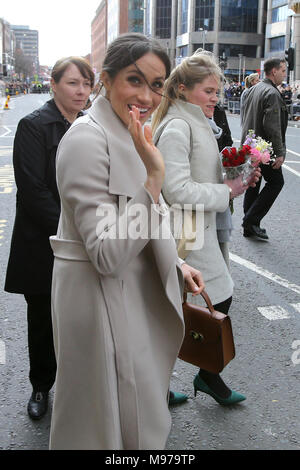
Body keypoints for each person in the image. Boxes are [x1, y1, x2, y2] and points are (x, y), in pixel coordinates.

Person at [48, 33, 204, 450]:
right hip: (100, 302)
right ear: (107, 79)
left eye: (156, 85)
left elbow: (143, 222)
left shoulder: (130, 129)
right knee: (103, 427)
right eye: (134, 80)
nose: (147, 95)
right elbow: (106, 253)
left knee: (135, 416)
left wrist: (176, 263)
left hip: (130, 295)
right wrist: (154, 179)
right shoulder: (86, 139)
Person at [152, 50, 261, 406]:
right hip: (187, 234)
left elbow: (199, 174)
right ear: (182, 89)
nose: (216, 98)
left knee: (189, 306)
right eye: (208, 91)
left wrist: (238, 177)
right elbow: (175, 189)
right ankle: (193, 378)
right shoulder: (179, 126)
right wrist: (226, 190)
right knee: (208, 299)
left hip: (201, 228)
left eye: (217, 91)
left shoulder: (195, 120)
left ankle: (197, 377)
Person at [4, 57, 94, 420]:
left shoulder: (90, 126)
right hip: (44, 242)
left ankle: (82, 386)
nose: (81, 91)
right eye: (73, 83)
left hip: (84, 239)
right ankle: (41, 385)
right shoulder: (34, 125)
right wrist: (72, 230)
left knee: (83, 319)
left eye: (86, 84)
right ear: (53, 84)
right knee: (42, 320)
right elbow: (32, 189)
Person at [241, 58, 288, 240]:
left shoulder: (254, 89)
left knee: (254, 183)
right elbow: (273, 127)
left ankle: (249, 224)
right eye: (282, 70)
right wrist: (280, 152)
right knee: (276, 182)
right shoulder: (272, 93)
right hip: (263, 147)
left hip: (250, 143)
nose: (284, 74)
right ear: (273, 71)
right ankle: (251, 220)